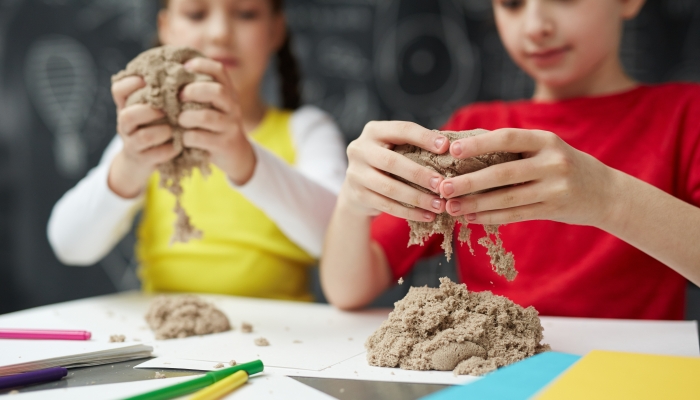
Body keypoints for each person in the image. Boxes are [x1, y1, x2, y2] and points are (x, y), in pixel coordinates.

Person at [321, 0, 700, 319]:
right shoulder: (472, 131)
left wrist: (606, 195)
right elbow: (349, 288)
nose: (535, 26)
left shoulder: (684, 116)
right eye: (512, 3)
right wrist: (354, 203)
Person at [48, 0, 346, 301]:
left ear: (275, 30)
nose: (219, 34)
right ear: (166, 29)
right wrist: (129, 165)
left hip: (284, 337)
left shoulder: (305, 130)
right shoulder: (147, 136)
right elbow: (69, 244)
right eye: (195, 14)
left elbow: (343, 242)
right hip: (168, 331)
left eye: (246, 14)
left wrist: (245, 161)